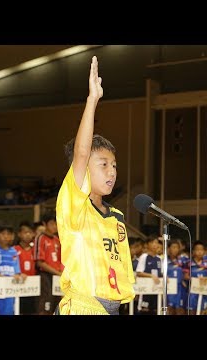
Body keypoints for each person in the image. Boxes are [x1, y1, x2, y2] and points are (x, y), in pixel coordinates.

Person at [55, 56, 135, 315]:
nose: (111, 171)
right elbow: (81, 152)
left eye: (114, 165)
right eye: (103, 165)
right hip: (83, 306)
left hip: (112, 308)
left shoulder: (117, 217)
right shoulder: (75, 206)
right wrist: (92, 100)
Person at [0, 224, 26, 315]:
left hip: (9, 291)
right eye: (3, 234)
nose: (6, 236)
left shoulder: (13, 252)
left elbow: (17, 272)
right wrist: (4, 278)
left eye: (8, 234)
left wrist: (21, 275)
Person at [34, 212, 63, 315]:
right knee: (46, 304)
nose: (55, 226)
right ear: (44, 224)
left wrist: (61, 273)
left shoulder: (57, 240)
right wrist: (57, 272)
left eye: (56, 223)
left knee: (57, 303)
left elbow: (60, 261)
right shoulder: (40, 238)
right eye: (52, 223)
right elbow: (39, 263)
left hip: (57, 276)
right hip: (46, 276)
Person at [183, 241, 207, 315]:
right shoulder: (188, 263)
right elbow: (185, 276)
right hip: (191, 291)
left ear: (204, 251)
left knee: (203, 311)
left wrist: (206, 278)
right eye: (197, 249)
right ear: (193, 251)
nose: (199, 252)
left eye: (201, 250)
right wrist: (195, 280)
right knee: (191, 311)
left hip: (204, 291)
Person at [14, 221, 37, 315]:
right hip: (18, 285)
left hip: (33, 287)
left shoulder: (35, 250)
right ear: (19, 234)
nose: (28, 235)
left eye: (30, 232)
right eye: (25, 232)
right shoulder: (14, 249)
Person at [136, 236, 162, 314]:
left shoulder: (159, 259)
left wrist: (165, 277)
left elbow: (160, 273)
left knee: (155, 311)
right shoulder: (144, 257)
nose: (154, 245)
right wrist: (151, 276)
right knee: (144, 311)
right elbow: (139, 273)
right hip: (145, 291)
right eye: (152, 242)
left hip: (156, 290)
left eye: (156, 243)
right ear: (147, 245)